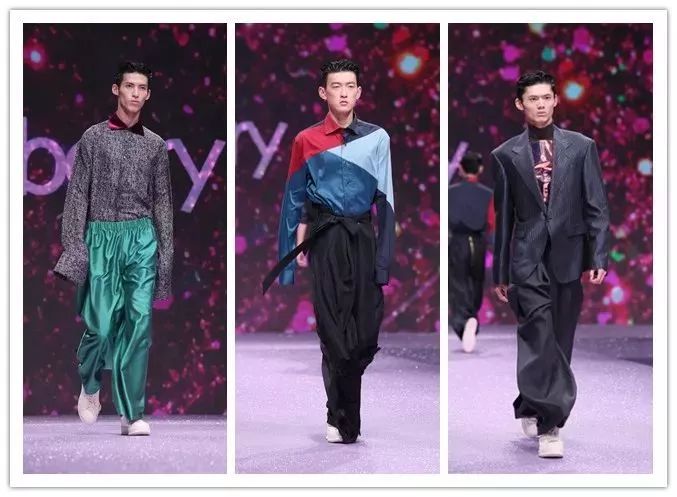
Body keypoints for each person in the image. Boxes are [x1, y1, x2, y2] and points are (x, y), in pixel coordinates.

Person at [262, 59, 395, 444]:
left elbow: (387, 200)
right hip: (326, 239)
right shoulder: (305, 139)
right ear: (323, 92)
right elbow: (292, 201)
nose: (343, 92)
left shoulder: (378, 138)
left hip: (363, 237)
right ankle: (340, 416)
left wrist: (384, 261)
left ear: (359, 92)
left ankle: (340, 407)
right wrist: (287, 264)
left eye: (349, 86)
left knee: (364, 335)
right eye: (335, 86)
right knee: (334, 329)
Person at [491, 70, 609, 458]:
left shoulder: (582, 147)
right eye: (533, 99)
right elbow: (504, 217)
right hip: (527, 259)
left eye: (546, 97)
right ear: (519, 104)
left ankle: (530, 400)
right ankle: (550, 424)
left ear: (556, 100)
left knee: (559, 338)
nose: (540, 104)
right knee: (538, 335)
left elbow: (596, 206)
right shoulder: (505, 154)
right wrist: (500, 271)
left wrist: (598, 255)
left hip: (568, 256)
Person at [54, 61, 173, 436]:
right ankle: (90, 382)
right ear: (116, 89)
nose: (136, 93)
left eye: (142, 88)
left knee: (139, 324)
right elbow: (77, 196)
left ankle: (132, 413)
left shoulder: (155, 145)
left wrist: (165, 256)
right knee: (102, 326)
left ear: (148, 95)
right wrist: (75, 248)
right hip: (101, 237)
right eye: (130, 86)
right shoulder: (92, 138)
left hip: (141, 238)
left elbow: (163, 204)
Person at [448, 151, 494, 353]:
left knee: (458, 285)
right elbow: (492, 223)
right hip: (478, 242)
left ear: (460, 169)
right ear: (480, 169)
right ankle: (472, 317)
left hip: (457, 242)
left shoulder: (450, 192)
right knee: (475, 283)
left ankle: (464, 321)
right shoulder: (488, 194)